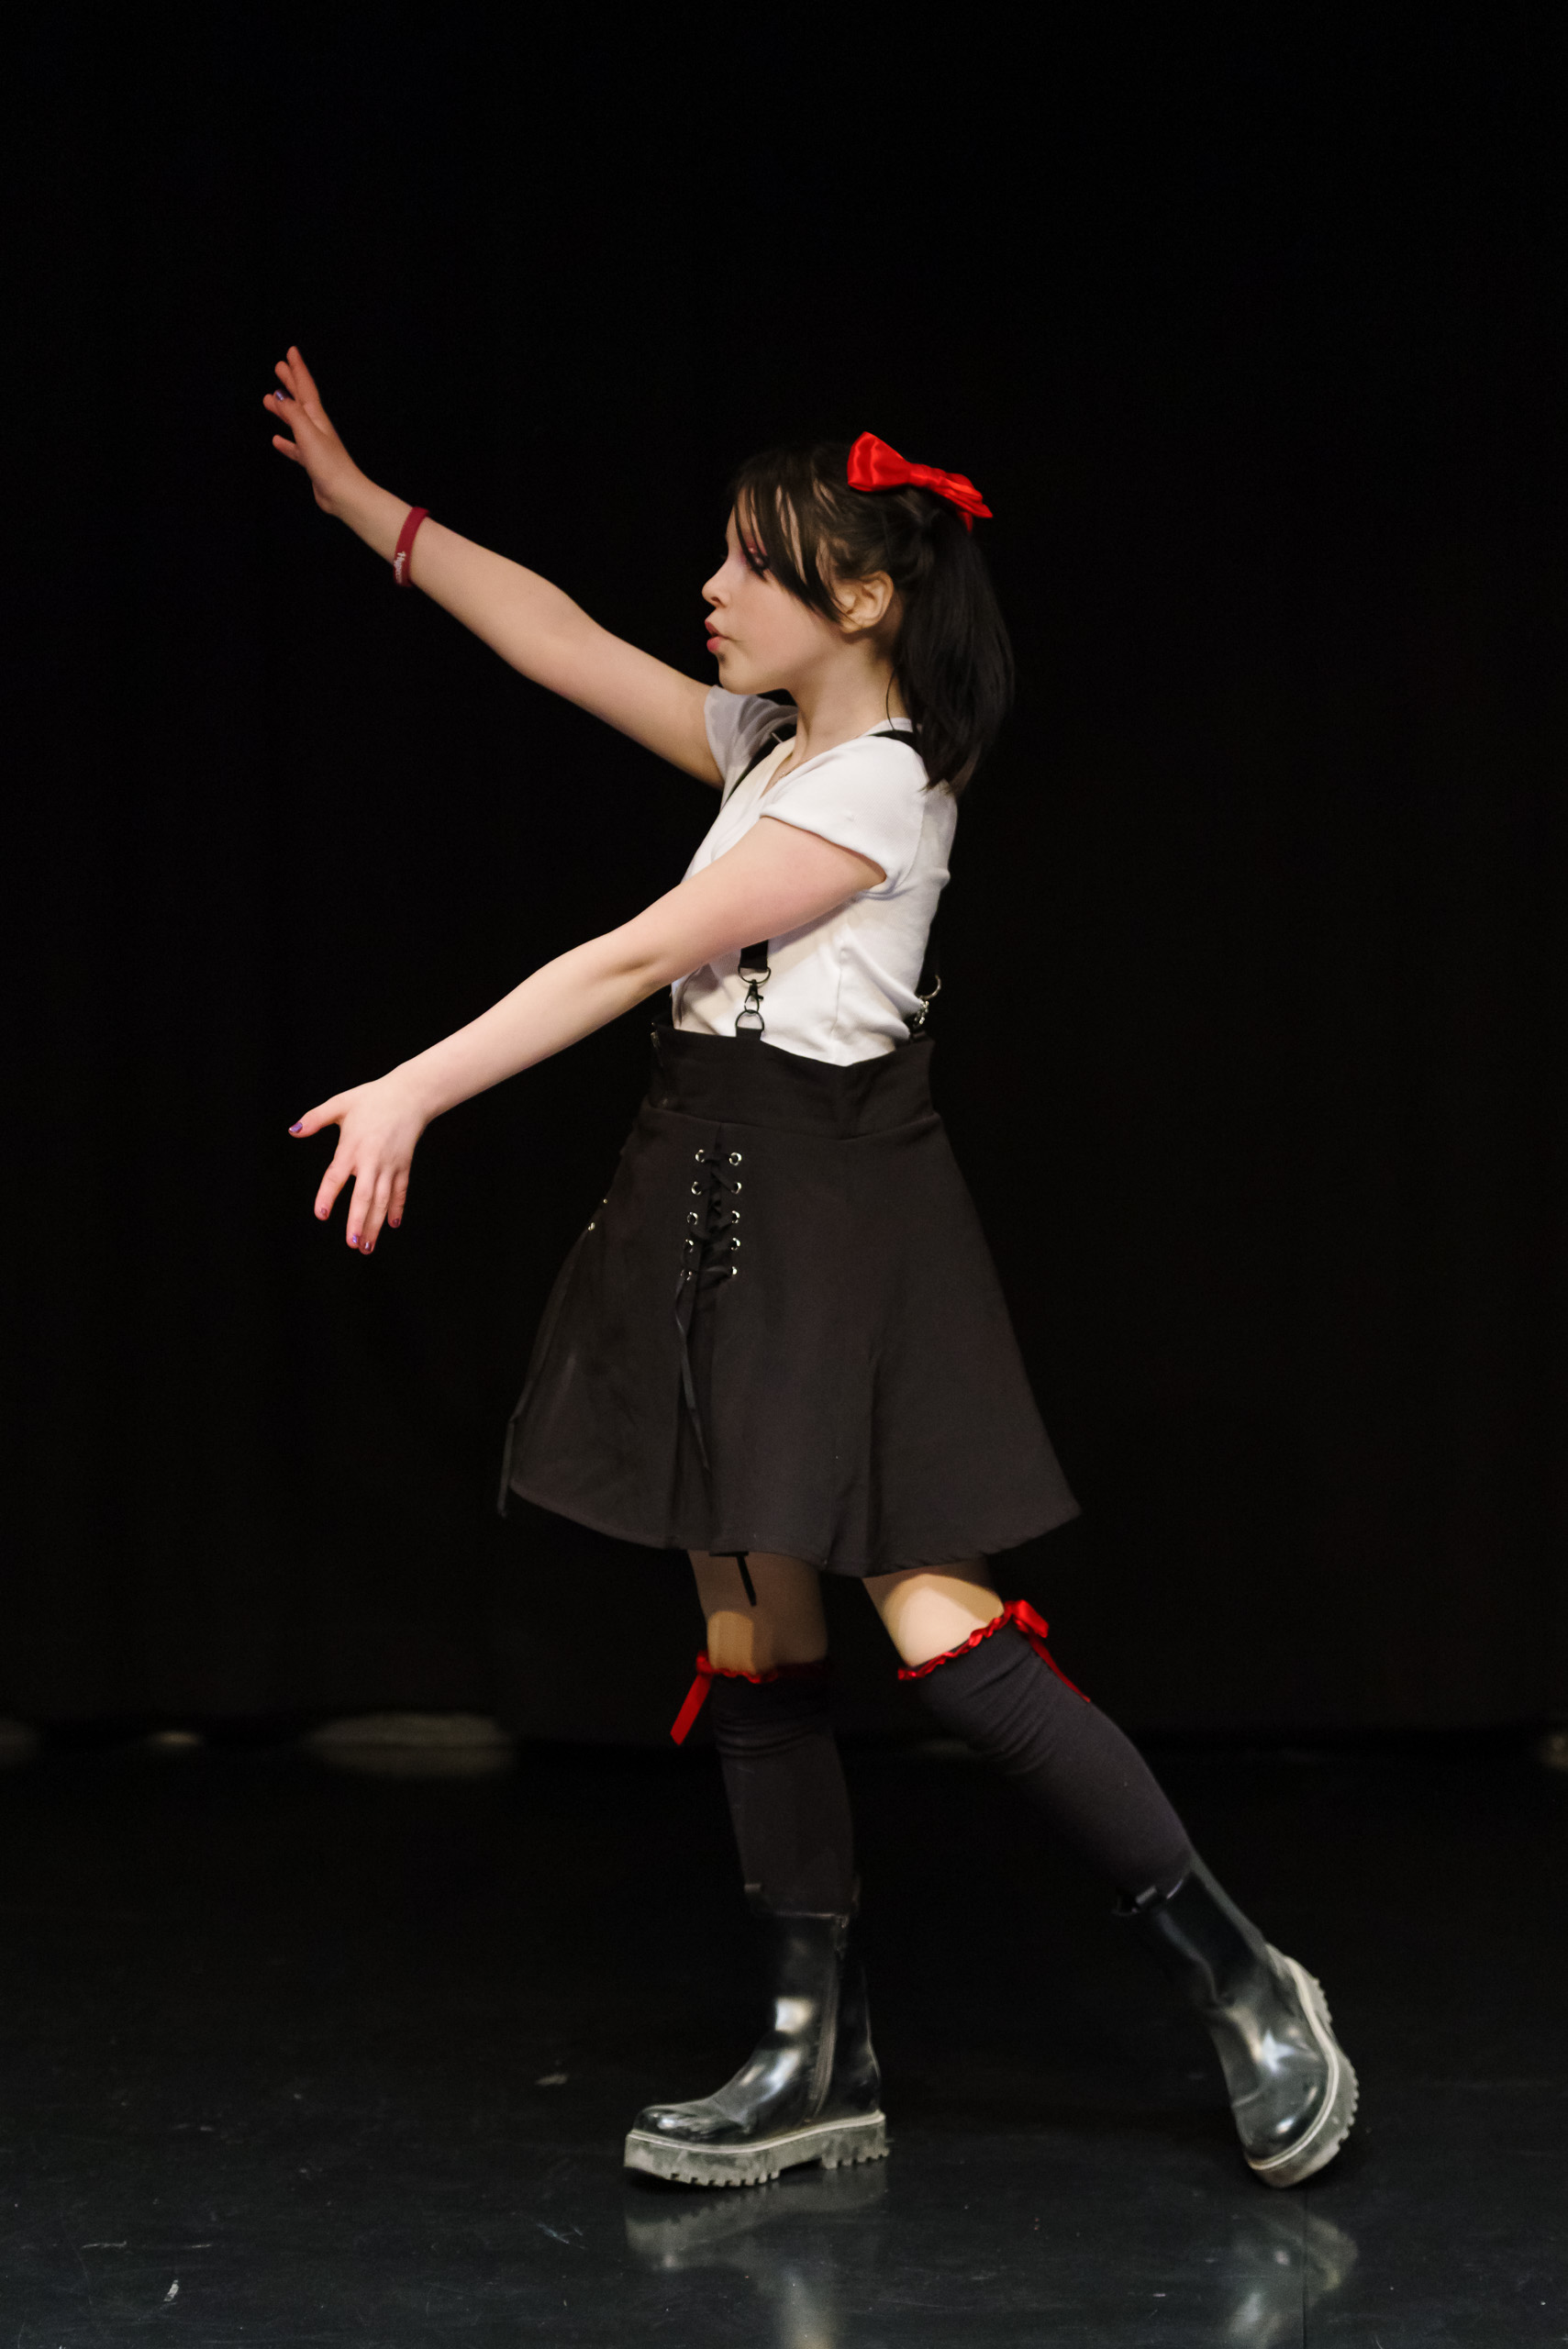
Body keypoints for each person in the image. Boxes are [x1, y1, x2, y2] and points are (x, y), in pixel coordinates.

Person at [266, 348, 1358, 2193]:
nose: (711, 588)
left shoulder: (879, 791)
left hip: (836, 1213)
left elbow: (635, 955)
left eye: (749, 562)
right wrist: (366, 504)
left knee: (941, 1634)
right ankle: (810, 2051)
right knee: (748, 1631)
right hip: (703, 1196)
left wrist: (415, 1087)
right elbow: (554, 638)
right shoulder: (768, 748)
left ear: (859, 597)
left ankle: (1245, 1981)